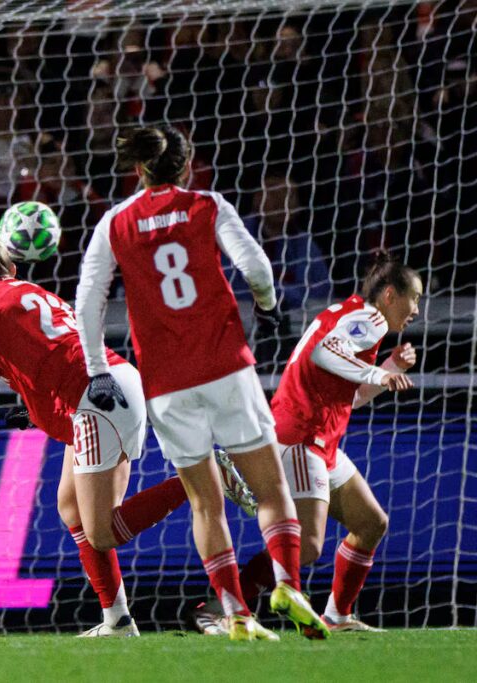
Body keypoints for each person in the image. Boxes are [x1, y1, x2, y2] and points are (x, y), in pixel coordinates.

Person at [74, 126, 329, 641]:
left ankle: (236, 613)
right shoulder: (206, 204)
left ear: (139, 170)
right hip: (226, 367)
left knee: (205, 502)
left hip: (165, 384)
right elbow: (256, 267)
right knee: (272, 489)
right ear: (188, 168)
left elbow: (87, 302)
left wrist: (99, 369)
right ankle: (287, 583)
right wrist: (268, 305)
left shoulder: (114, 223)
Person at [0, 227, 255, 637]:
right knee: (70, 507)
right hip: (112, 382)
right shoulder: (35, 293)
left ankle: (204, 475)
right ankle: (117, 620)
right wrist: (38, 409)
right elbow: (60, 353)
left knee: (103, 531)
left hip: (94, 403)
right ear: (12, 267)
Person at [195, 253, 420, 635]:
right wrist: (380, 373)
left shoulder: (348, 313)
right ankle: (219, 606)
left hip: (321, 440)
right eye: (413, 297)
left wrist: (392, 367)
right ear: (388, 295)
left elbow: (350, 395)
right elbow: (323, 351)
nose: (416, 309)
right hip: (302, 437)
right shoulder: (370, 320)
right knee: (309, 546)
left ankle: (338, 615)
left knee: (370, 523)